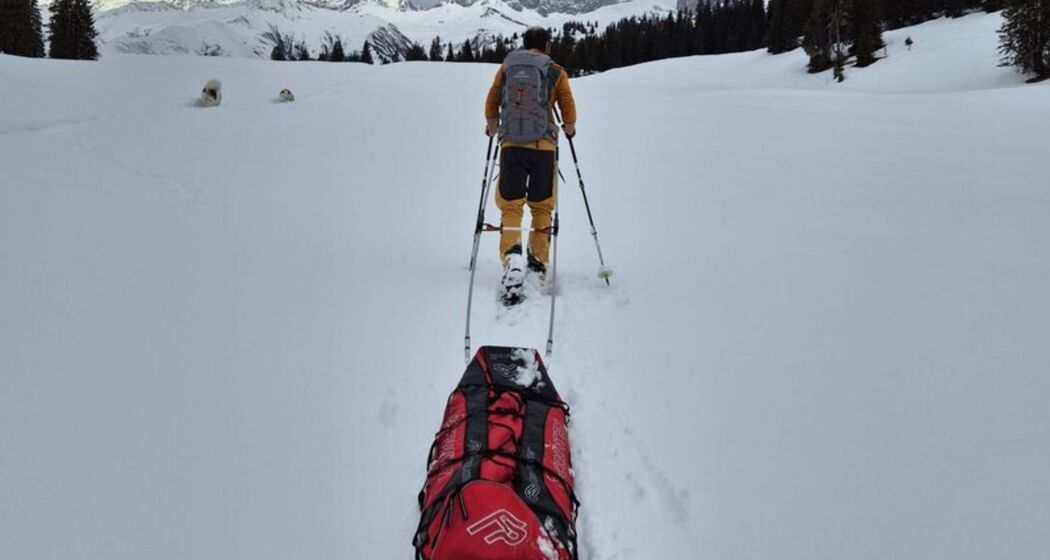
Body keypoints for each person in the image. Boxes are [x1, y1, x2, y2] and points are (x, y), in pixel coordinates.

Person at [485, 27, 576, 300]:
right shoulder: (555, 70)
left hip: (511, 145)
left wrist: (492, 126)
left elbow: (491, 100)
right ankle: (537, 263)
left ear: (525, 45)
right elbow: (568, 108)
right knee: (541, 206)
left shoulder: (508, 66)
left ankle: (512, 257)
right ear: (546, 46)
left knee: (511, 205)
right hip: (543, 147)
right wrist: (569, 129)